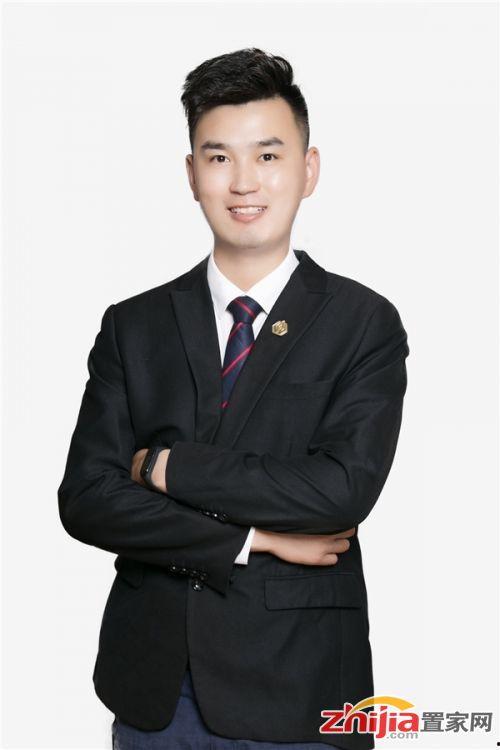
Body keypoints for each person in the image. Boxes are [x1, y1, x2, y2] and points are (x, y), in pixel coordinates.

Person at [58, 47, 409, 750]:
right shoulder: (134, 325)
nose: (244, 182)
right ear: (192, 174)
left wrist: (167, 467)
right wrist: (250, 540)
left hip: (298, 684)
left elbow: (339, 492)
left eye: (268, 156)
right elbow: (87, 498)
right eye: (218, 158)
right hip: (156, 687)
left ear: (308, 170)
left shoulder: (362, 322)